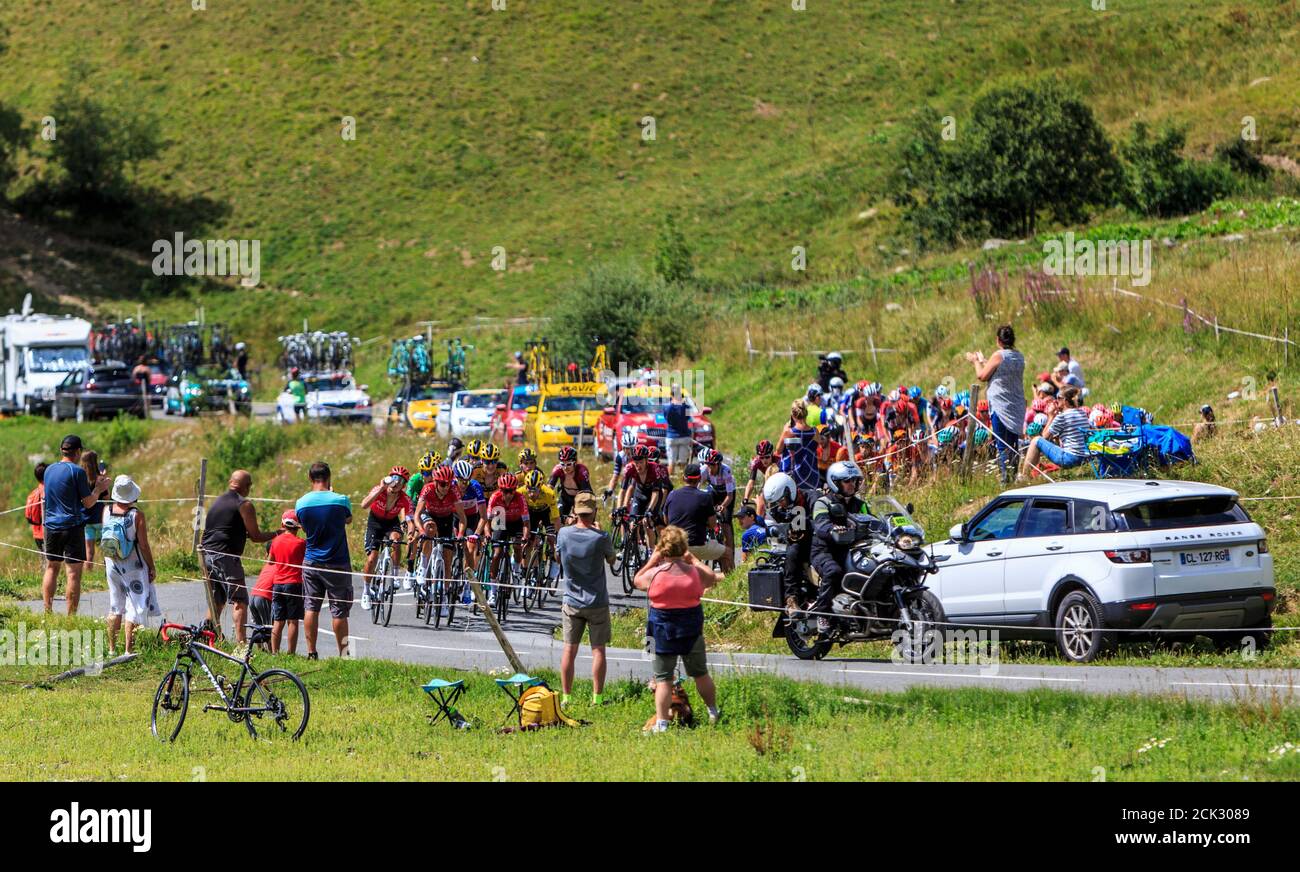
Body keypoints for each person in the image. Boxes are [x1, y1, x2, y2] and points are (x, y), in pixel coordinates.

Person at [633, 526, 722, 731]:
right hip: (691, 629)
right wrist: (693, 560)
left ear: (662, 549)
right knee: (701, 674)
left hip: (662, 629)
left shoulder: (655, 574)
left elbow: (637, 580)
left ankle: (662, 722)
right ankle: (712, 711)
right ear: (684, 548)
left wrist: (653, 560)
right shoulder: (694, 573)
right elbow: (711, 577)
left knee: (663, 679)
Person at [200, 470, 280, 645]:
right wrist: (277, 533)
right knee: (240, 600)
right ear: (247, 486)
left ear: (231, 482)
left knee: (217, 600)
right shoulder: (244, 504)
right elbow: (256, 535)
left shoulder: (218, 501)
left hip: (206, 554)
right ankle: (241, 644)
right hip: (225, 556)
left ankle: (206, 637)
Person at [556, 492, 617, 707]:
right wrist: (599, 531)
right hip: (597, 601)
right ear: (594, 512)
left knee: (569, 650)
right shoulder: (601, 537)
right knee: (598, 650)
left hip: (571, 600)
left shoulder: (563, 534)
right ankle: (597, 698)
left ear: (575, 511)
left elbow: (557, 557)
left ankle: (566, 697)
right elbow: (611, 559)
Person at [41, 435, 111, 615]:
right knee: (73, 573)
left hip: (51, 526)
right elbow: (88, 503)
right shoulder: (77, 472)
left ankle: (47, 611)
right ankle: (71, 616)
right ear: (78, 451)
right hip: (72, 526)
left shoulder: (48, 470)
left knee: (51, 568)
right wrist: (98, 489)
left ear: (61, 451)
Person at [295, 462, 354, 659]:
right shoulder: (341, 500)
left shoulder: (301, 503)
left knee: (311, 607)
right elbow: (348, 520)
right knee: (339, 612)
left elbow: (303, 526)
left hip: (311, 560)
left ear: (310, 479)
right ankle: (345, 654)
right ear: (329, 478)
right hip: (337, 562)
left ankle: (311, 652)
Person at [810, 461, 870, 634]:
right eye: (847, 481)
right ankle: (823, 614)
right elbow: (821, 526)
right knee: (833, 571)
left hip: (850, 550)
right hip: (824, 551)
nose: (852, 484)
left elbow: (873, 521)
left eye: (854, 480)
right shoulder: (823, 503)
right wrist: (833, 529)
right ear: (835, 482)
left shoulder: (860, 504)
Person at [102, 475, 158, 654]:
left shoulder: (106, 511)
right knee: (134, 605)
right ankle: (128, 650)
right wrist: (151, 566)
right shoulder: (137, 515)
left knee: (115, 605)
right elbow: (143, 544)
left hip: (112, 563)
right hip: (133, 565)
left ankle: (111, 649)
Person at [968, 324, 1026, 484]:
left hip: (1000, 405)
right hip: (1016, 404)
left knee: (1002, 444)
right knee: (1013, 444)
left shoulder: (998, 355)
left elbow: (982, 375)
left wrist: (975, 361)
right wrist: (984, 360)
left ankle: (1005, 480)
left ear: (998, 340)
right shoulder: (1019, 356)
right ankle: (1013, 477)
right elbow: (1000, 368)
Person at [760, 472, 816, 616]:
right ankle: (791, 599)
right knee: (792, 552)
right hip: (799, 545)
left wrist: (805, 523)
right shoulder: (782, 508)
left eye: (781, 500)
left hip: (817, 540)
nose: (780, 504)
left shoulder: (812, 498)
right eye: (777, 502)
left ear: (789, 491)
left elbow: (821, 522)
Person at [359, 466, 412, 609]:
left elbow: (409, 518)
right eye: (393, 478)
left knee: (396, 541)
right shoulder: (379, 489)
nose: (395, 483)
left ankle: (394, 575)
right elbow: (364, 505)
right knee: (371, 559)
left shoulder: (404, 498)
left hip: (391, 523)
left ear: (403, 486)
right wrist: (381, 490)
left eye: (400, 481)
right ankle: (366, 592)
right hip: (375, 522)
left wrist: (411, 532)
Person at [1019, 386, 1093, 479]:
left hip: (1069, 458)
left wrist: (1050, 416)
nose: (1056, 400)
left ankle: (1024, 476)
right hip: (1084, 458)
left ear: (1065, 400)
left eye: (1058, 398)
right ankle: (1031, 474)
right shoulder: (1082, 413)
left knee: (1036, 441)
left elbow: (1044, 437)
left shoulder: (1062, 417)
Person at [482, 472, 529, 607]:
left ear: (515, 489)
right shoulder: (495, 497)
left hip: (516, 523)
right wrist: (487, 534)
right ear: (500, 489)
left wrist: (525, 537)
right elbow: (487, 520)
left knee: (517, 546)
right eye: (505, 491)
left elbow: (526, 524)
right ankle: (493, 592)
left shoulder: (520, 498)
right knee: (496, 554)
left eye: (511, 491)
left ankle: (517, 570)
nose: (508, 494)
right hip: (500, 520)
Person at [664, 463, 724, 565]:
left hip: (674, 545)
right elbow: (713, 524)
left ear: (683, 478)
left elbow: (666, 520)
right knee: (727, 554)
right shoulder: (705, 497)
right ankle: (729, 580)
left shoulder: (672, 494)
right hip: (696, 545)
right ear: (699, 479)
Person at [268, 511, 306, 654]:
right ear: (298, 527)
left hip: (277, 583)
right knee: (293, 620)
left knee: (278, 620)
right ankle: (290, 652)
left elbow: (270, 561)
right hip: (294, 583)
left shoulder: (275, 541)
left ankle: (274, 652)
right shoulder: (301, 543)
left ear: (282, 524)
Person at [699, 448, 736, 571]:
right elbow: (696, 488)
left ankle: (731, 557)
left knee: (726, 524)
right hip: (714, 491)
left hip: (726, 494)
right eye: (708, 465)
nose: (710, 468)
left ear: (718, 464)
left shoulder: (726, 471)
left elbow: (729, 496)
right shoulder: (704, 470)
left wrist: (723, 506)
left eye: (712, 465)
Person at [776, 399, 819, 490]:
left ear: (792, 415)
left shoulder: (789, 432)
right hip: (811, 477)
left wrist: (785, 429)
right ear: (806, 413)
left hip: (792, 478)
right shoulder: (815, 432)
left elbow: (778, 450)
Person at [80, 451, 107, 579]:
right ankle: (108, 572)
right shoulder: (99, 479)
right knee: (106, 549)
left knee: (89, 552)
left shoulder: (80, 480)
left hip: (86, 520)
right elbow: (107, 498)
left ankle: (88, 576)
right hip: (100, 518)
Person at [548, 445, 593, 519]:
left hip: (581, 497)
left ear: (575, 462)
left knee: (580, 520)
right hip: (565, 497)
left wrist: (575, 512)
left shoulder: (582, 471)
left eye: (569, 464)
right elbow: (549, 489)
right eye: (562, 464)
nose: (565, 468)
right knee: (557, 518)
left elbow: (586, 493)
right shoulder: (557, 469)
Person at [744, 439, 779, 515]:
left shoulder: (778, 459)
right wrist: (746, 498)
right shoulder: (756, 462)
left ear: (772, 454)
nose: (764, 460)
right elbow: (751, 482)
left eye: (767, 457)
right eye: (761, 457)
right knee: (761, 497)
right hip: (767, 479)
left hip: (778, 480)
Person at [25, 463, 46, 567]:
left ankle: (43, 580)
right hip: (48, 532)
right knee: (53, 561)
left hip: (37, 533)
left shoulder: (34, 493)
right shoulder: (48, 491)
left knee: (43, 559)